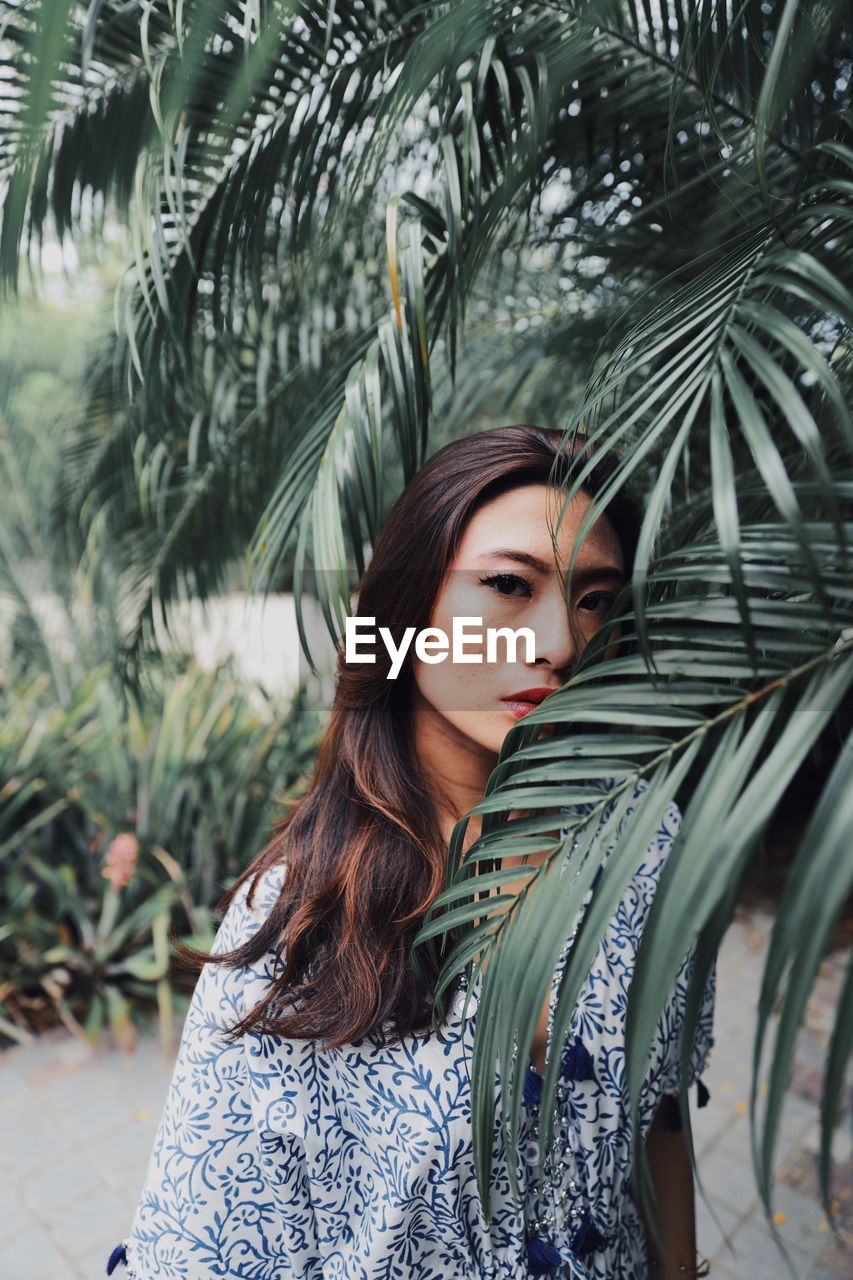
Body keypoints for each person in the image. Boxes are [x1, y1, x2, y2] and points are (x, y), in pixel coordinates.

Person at [106, 424, 715, 1280]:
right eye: (508, 584)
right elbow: (197, 1253)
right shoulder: (296, 927)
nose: (559, 642)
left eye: (594, 599)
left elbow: (658, 1118)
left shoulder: (644, 846)